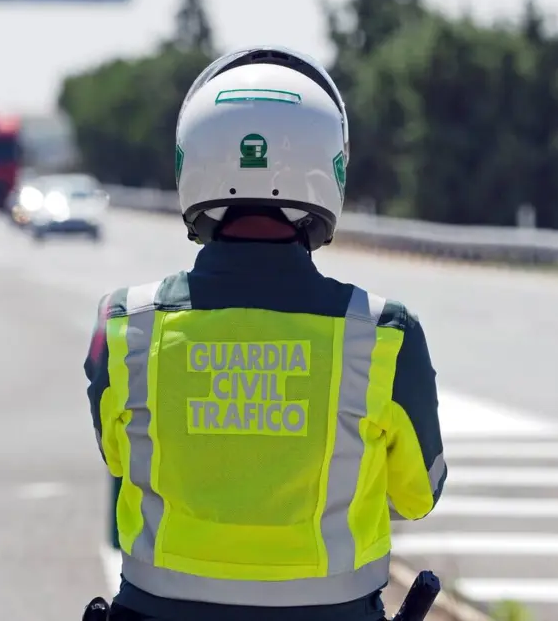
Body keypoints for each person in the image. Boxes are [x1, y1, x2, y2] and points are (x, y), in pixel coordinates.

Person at [82, 46, 447, 621]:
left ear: (190, 164)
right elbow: (416, 496)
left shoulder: (126, 322)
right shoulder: (385, 335)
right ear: (331, 170)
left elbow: (117, 456)